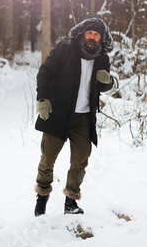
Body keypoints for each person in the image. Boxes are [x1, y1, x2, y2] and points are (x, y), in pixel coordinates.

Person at [34, 16, 114, 216]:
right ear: (82, 33)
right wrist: (43, 99)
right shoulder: (65, 49)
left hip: (85, 117)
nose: (92, 37)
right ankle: (42, 197)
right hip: (58, 113)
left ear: (101, 38)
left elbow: (103, 84)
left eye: (97, 34)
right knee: (48, 157)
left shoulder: (102, 57)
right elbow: (45, 72)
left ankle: (71, 202)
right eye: (90, 33)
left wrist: (109, 81)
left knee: (80, 160)